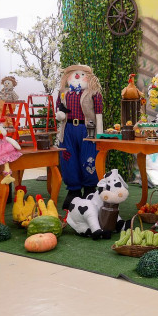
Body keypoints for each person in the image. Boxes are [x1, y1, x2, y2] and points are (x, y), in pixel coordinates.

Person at [55, 65, 104, 211]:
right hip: (68, 129)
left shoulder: (94, 93)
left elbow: (99, 114)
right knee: (68, 158)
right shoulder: (63, 93)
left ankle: (89, 189)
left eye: (82, 74)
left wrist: (99, 134)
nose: (78, 76)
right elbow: (59, 109)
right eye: (75, 74)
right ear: (68, 77)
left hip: (87, 129)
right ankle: (74, 191)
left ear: (89, 77)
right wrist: (59, 114)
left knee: (89, 157)